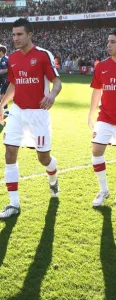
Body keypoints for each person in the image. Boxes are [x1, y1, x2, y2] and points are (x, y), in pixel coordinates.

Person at [0, 18, 62, 219]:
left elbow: (57, 81)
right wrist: (1, 105)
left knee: (43, 158)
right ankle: (13, 204)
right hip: (17, 111)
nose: (15, 38)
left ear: (30, 34)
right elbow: (14, 85)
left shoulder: (43, 55)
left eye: (19, 34)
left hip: (39, 114)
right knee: (9, 153)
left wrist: (51, 95)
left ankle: (53, 177)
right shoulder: (13, 58)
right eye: (13, 34)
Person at [88, 29, 116, 207]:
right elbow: (97, 90)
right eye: (108, 42)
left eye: (112, 42)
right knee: (96, 151)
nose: (109, 45)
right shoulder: (101, 66)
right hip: (105, 116)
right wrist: (91, 114)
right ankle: (104, 190)